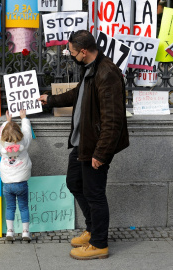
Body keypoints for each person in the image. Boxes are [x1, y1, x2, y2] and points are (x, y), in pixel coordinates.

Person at [38, 30, 129, 260]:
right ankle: (92, 229)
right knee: (74, 182)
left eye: (71, 50)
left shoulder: (106, 73)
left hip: (95, 147)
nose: (69, 53)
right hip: (83, 142)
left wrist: (101, 153)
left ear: (84, 51)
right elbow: (77, 95)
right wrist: (50, 100)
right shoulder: (90, 68)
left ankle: (99, 244)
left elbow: (113, 119)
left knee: (95, 194)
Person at [0, 109, 32, 241]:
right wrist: (23, 118)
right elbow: (27, 132)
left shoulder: (1, 144)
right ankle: (25, 232)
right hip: (21, 183)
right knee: (23, 207)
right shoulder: (24, 142)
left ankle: (10, 232)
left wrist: (7, 121)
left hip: (7, 183)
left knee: (10, 207)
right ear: (19, 133)